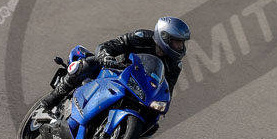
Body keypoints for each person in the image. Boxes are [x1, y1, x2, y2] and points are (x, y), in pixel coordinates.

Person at [35, 17, 191, 121]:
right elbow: (108, 45)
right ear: (165, 37)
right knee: (90, 63)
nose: (181, 46)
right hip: (115, 72)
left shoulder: (174, 65)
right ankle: (49, 102)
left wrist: (161, 103)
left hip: (138, 88)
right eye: (178, 42)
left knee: (153, 119)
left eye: (182, 43)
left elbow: (166, 89)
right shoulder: (141, 37)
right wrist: (105, 56)